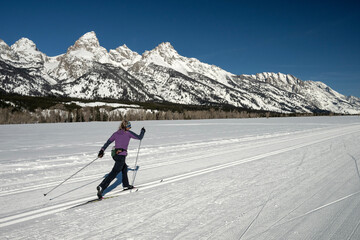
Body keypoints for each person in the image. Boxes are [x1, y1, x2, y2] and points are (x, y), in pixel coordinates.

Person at [96, 120, 145, 199]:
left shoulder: (116, 133)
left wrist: (102, 150)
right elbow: (140, 137)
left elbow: (108, 142)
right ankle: (101, 187)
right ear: (125, 127)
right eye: (129, 126)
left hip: (115, 155)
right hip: (121, 155)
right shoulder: (128, 133)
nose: (129, 128)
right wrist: (142, 131)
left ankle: (126, 185)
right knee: (114, 172)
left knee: (124, 168)